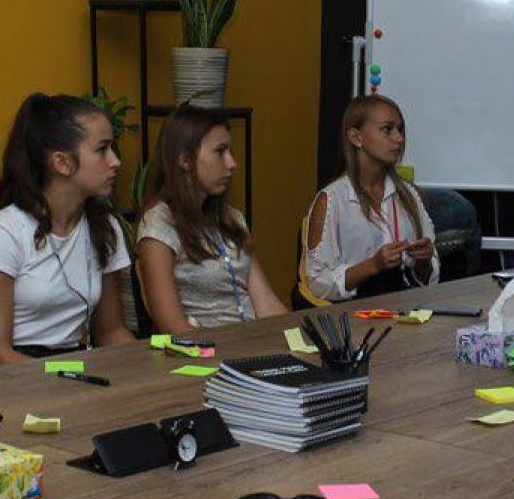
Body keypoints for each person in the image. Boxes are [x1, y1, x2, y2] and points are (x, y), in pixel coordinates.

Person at [0, 94, 135, 364]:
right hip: (9, 374)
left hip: (70, 366)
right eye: (102, 149)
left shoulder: (105, 227)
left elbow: (111, 332)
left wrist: (152, 366)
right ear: (62, 162)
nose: (115, 161)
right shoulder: (3, 233)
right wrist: (65, 379)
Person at [135, 105, 288, 333]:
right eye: (220, 151)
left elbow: (267, 304)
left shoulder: (232, 218)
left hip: (254, 343)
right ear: (185, 159)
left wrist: (302, 340)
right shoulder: (159, 225)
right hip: (205, 348)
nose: (232, 163)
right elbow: (171, 325)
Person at [301, 95, 437, 303]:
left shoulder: (410, 196)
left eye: (400, 130)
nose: (399, 139)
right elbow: (317, 284)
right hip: (354, 314)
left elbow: (429, 280)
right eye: (387, 129)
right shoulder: (331, 200)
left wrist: (423, 261)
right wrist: (373, 266)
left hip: (405, 309)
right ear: (356, 137)